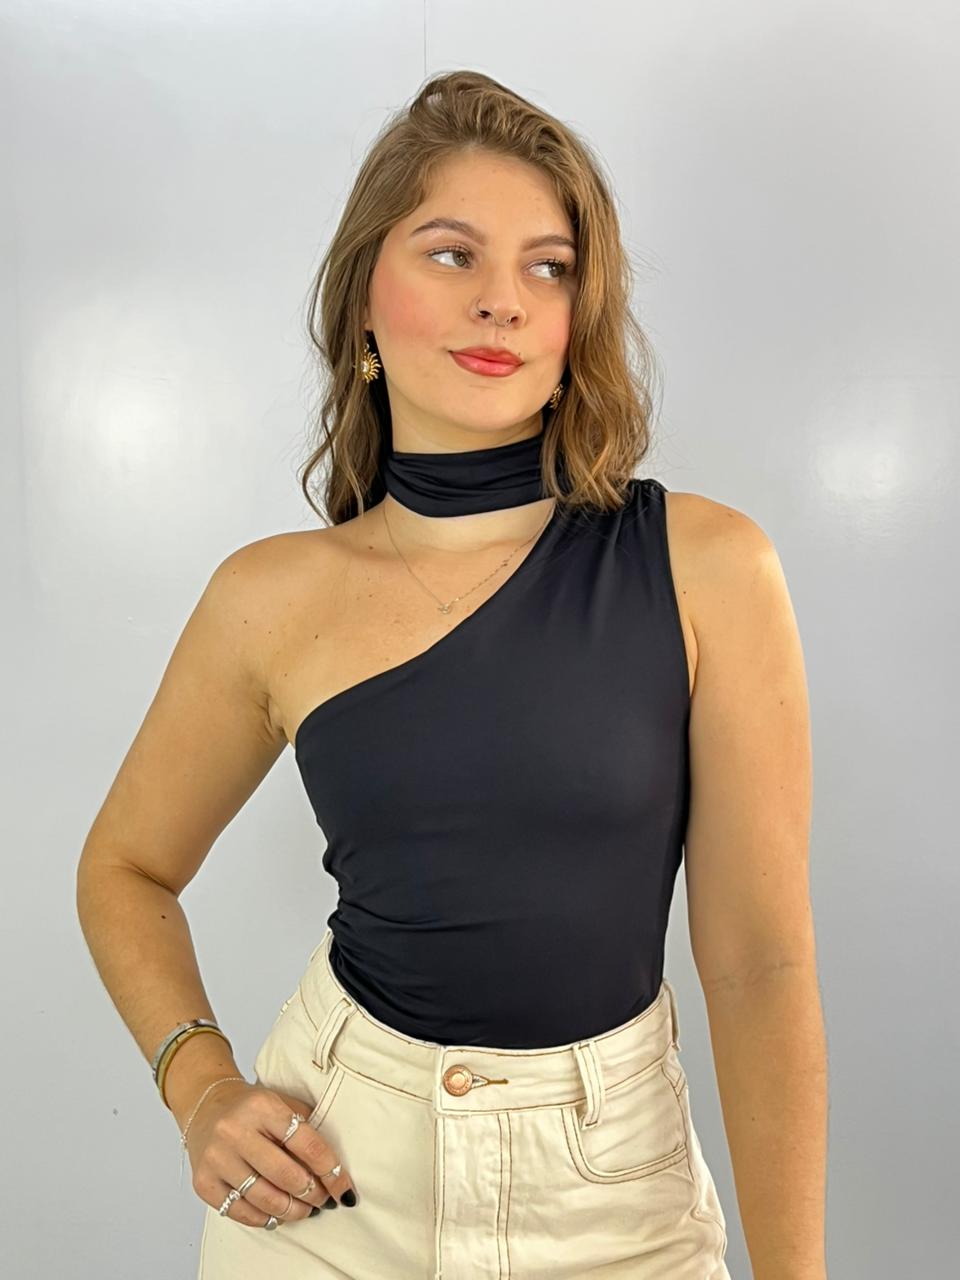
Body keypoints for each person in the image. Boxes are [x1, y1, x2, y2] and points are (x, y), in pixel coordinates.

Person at [77, 70, 826, 1280]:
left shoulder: (705, 567)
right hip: (332, 1182)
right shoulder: (269, 596)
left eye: (549, 266)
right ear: (364, 297)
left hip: (614, 1201)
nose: (502, 301)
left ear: (582, 314)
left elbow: (760, 964)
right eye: (451, 253)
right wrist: (199, 1081)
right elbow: (124, 866)